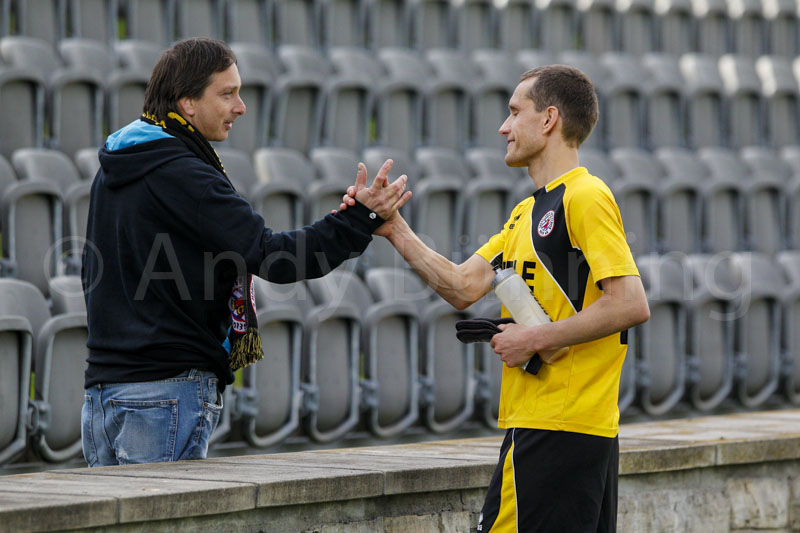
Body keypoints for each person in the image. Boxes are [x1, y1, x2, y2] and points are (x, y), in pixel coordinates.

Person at [341, 65, 649, 531]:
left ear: (548, 120)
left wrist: (535, 339)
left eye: (513, 112)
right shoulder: (527, 211)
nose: (504, 127)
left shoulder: (585, 196)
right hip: (550, 425)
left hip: (560, 426)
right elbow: (463, 286)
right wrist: (393, 228)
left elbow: (629, 303)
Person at [80, 37, 411, 467]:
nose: (241, 107)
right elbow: (274, 255)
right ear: (187, 103)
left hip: (104, 391)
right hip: (165, 392)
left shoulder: (117, 167)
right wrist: (357, 221)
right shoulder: (185, 174)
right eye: (227, 93)